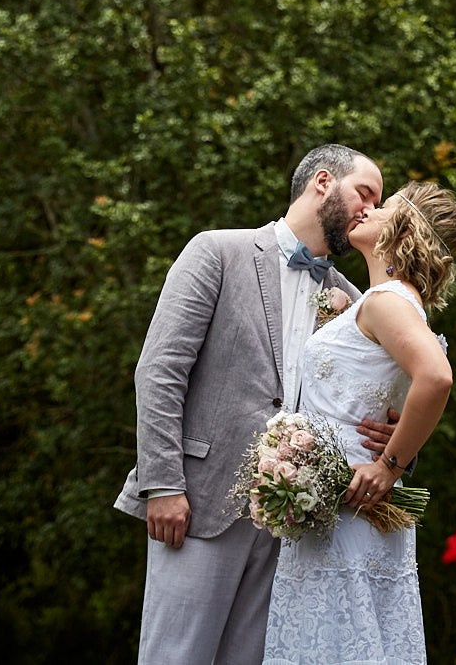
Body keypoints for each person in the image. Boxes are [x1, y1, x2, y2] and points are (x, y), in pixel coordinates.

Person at [115, 144, 393, 665]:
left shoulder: (354, 300)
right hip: (198, 502)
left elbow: (374, 398)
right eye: (366, 193)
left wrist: (391, 445)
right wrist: (163, 483)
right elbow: (159, 370)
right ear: (323, 182)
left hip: (296, 523)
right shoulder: (217, 251)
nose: (372, 212)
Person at [261, 181, 456, 665]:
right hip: (348, 512)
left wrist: (389, 467)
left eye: (384, 207)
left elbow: (436, 378)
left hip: (351, 510)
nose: (368, 210)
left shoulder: (387, 302)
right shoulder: (382, 301)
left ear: (402, 231)